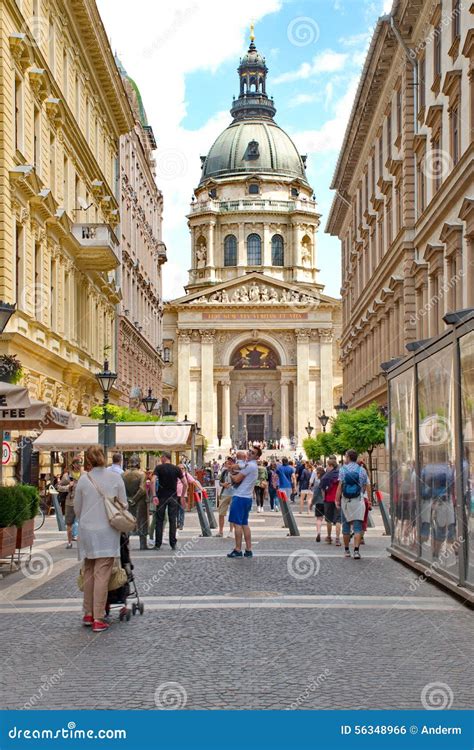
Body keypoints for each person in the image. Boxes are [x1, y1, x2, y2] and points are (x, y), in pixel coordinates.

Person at [74, 446, 127, 633]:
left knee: (88, 571)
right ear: (104, 458)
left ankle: (88, 613)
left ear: (87, 460)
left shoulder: (83, 480)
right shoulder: (115, 477)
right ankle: (98, 617)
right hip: (107, 532)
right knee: (102, 574)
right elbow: (124, 504)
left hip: (87, 532)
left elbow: (77, 509)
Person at [227, 446, 260, 558]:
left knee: (237, 525)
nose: (249, 453)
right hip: (248, 497)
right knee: (244, 523)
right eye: (249, 451)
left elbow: (236, 479)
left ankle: (237, 549)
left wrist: (230, 473)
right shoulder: (253, 466)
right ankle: (249, 549)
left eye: (253, 453)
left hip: (240, 496)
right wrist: (235, 467)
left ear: (257, 457)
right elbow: (240, 467)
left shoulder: (250, 466)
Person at [335, 449, 368, 559]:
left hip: (346, 501)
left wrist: (337, 500)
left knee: (346, 526)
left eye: (345, 456)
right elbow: (364, 486)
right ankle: (356, 551)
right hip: (358, 500)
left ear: (348, 457)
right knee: (358, 527)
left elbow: (340, 486)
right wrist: (361, 494)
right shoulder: (362, 470)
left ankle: (346, 551)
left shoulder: (343, 469)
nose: (345, 458)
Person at [154, 453, 187, 550]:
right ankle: (173, 543)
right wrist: (182, 496)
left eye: (161, 457)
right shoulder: (176, 469)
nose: (161, 459)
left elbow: (152, 480)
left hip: (161, 496)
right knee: (173, 520)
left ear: (164, 457)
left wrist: (154, 494)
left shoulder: (159, 468)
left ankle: (158, 544)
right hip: (173, 497)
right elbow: (185, 483)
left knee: (159, 520)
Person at [123, 455, 149, 551]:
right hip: (139, 502)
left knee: (127, 523)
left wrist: (128, 499)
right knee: (142, 522)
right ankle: (143, 545)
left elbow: (121, 489)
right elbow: (142, 489)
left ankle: (125, 544)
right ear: (138, 463)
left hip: (127, 502)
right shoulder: (141, 474)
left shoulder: (123, 474)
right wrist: (134, 499)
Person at [60, 457, 82, 549]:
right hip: (70, 502)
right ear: (73, 464)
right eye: (78, 463)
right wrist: (68, 487)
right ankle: (69, 542)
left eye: (81, 462)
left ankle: (82, 542)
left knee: (83, 523)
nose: (80, 465)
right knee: (69, 523)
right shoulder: (67, 476)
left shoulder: (84, 475)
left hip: (81, 503)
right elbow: (59, 487)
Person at [319, 459, 341, 546]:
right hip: (338, 500)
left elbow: (323, 489)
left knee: (329, 519)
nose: (326, 468)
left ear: (331, 466)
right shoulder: (339, 474)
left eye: (327, 466)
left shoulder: (326, 476)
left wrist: (324, 498)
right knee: (338, 520)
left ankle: (329, 537)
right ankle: (338, 539)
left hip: (328, 500)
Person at [177, 463, 202, 531]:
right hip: (175, 495)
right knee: (175, 511)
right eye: (179, 468)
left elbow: (194, 482)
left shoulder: (186, 474)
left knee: (182, 510)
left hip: (183, 495)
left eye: (182, 468)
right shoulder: (174, 474)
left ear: (184, 469)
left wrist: (201, 488)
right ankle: (177, 523)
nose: (181, 470)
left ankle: (181, 524)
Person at [216, 456, 236, 537]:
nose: (229, 464)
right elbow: (220, 482)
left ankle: (231, 531)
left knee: (233, 513)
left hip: (234, 494)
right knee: (221, 513)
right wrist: (223, 484)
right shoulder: (224, 472)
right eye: (228, 463)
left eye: (231, 463)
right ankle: (221, 531)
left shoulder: (237, 472)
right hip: (224, 494)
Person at [310, 466, 326, 541]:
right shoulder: (326, 481)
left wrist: (311, 504)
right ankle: (329, 536)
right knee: (329, 520)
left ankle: (318, 533)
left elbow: (315, 494)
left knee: (319, 519)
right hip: (327, 502)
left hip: (319, 502)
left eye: (317, 473)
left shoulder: (317, 482)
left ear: (319, 474)